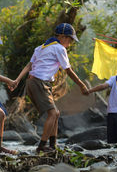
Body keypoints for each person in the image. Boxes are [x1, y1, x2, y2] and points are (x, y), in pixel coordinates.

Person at [14, 23, 89, 153]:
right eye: (69, 39)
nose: (70, 43)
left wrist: (18, 79)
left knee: (55, 113)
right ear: (61, 37)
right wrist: (82, 85)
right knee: (53, 113)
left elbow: (29, 66)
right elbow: (68, 70)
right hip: (40, 82)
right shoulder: (59, 48)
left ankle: (53, 145)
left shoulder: (40, 48)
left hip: (32, 82)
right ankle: (41, 146)